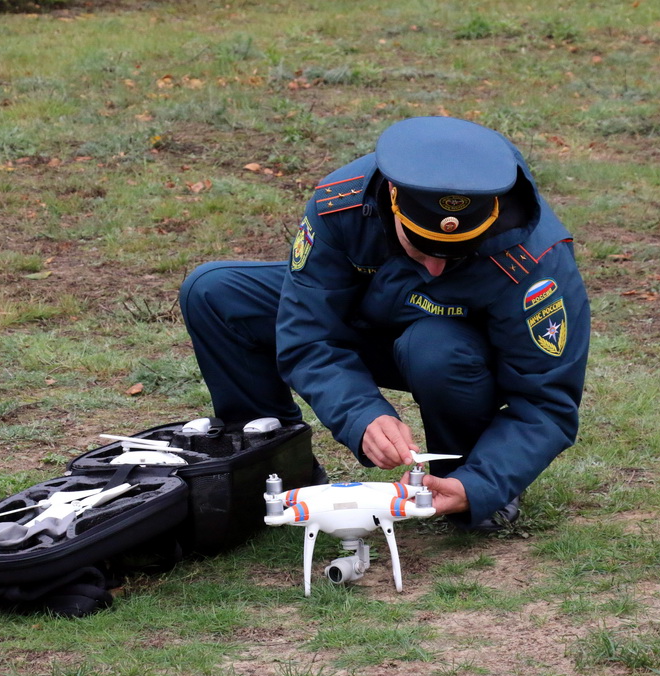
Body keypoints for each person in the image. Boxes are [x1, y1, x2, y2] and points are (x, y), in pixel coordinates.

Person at [179, 116, 589, 531]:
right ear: (392, 196)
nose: (434, 268)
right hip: (370, 323)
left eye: (455, 255)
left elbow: (545, 401)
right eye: (421, 246)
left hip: (453, 356)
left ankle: (466, 481)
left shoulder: (536, 258)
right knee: (216, 291)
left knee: (435, 347)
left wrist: (481, 484)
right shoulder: (342, 202)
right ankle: (275, 473)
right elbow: (307, 333)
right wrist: (363, 415)